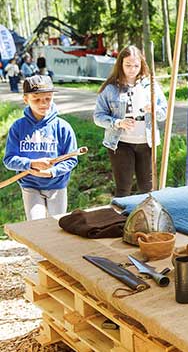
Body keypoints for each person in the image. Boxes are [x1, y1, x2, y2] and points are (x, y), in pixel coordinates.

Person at [94, 45, 167, 197]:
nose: (132, 69)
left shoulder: (151, 85)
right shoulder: (110, 88)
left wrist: (155, 110)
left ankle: (146, 218)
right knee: (123, 187)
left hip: (146, 143)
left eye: (136, 65)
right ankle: (121, 220)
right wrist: (118, 122)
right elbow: (98, 117)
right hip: (120, 143)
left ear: (142, 65)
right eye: (128, 65)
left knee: (147, 188)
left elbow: (164, 113)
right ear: (120, 64)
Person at [3, 75, 78, 221]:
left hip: (57, 186)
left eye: (47, 99)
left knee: (56, 227)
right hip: (30, 186)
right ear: (26, 99)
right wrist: (30, 164)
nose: (43, 104)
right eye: (36, 99)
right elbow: (9, 159)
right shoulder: (18, 127)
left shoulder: (63, 127)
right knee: (36, 225)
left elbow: (72, 159)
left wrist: (52, 172)